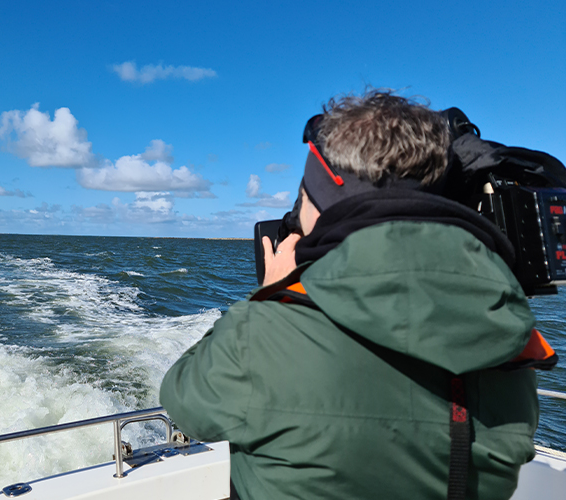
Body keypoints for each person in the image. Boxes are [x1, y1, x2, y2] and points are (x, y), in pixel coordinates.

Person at [160, 90, 552, 499]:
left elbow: (184, 399)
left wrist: (271, 295)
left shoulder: (263, 335)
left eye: (305, 199)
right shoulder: (508, 337)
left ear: (326, 205)